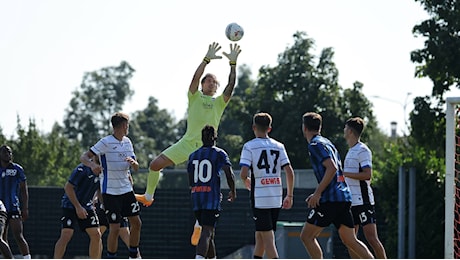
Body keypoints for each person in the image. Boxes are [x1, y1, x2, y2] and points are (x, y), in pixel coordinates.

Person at [135, 41, 242, 207]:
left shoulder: (219, 102)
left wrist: (233, 64)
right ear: (202, 85)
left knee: (204, 187)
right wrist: (206, 59)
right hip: (186, 143)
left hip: (206, 147)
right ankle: (148, 196)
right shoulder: (195, 96)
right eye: (208, 80)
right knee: (155, 165)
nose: (211, 83)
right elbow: (195, 78)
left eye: (214, 82)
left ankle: (200, 227)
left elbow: (231, 86)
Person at [299, 112, 374, 259]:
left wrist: (318, 193)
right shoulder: (328, 143)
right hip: (343, 197)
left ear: (304, 127)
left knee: (306, 236)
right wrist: (318, 191)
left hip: (330, 200)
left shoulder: (315, 144)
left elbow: (332, 168)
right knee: (351, 240)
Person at [80, 112, 142, 259]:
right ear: (123, 125)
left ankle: (133, 255)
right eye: (127, 125)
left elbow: (136, 167)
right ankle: (111, 257)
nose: (128, 128)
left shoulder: (128, 142)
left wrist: (134, 164)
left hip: (126, 189)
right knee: (114, 228)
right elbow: (84, 157)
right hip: (111, 192)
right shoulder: (105, 142)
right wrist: (92, 165)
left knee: (137, 223)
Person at [239, 112, 295, 259]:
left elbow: (243, 173)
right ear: (269, 128)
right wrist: (289, 195)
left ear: (253, 127)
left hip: (260, 198)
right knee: (261, 237)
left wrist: (246, 180)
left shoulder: (249, 146)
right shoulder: (279, 146)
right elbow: (289, 171)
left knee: (268, 239)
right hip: (276, 198)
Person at [187, 125, 236, 259]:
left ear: (202, 138)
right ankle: (199, 257)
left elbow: (191, 180)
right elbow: (228, 172)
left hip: (196, 197)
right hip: (210, 198)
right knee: (207, 231)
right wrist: (233, 191)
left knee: (209, 233)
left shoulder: (193, 155)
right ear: (215, 138)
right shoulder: (219, 153)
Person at [342, 117, 387, 259]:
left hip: (363, 201)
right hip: (351, 202)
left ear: (349, 131)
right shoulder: (350, 151)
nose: (343, 130)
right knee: (351, 240)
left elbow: (367, 175)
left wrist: (344, 174)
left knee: (372, 238)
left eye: (345, 128)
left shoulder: (362, 150)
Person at [53, 161, 103, 259]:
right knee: (66, 234)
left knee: (96, 235)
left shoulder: (104, 171)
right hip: (71, 205)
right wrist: (78, 207)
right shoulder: (82, 169)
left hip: (87, 206)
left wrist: (103, 204)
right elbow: (68, 187)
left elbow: (99, 190)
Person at [0, 145, 31, 259]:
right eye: (4, 152)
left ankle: (27, 258)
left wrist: (25, 208)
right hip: (0, 209)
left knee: (18, 235)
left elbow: (23, 189)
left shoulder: (17, 169)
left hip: (12, 206)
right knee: (2, 238)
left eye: (9, 152)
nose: (7, 154)